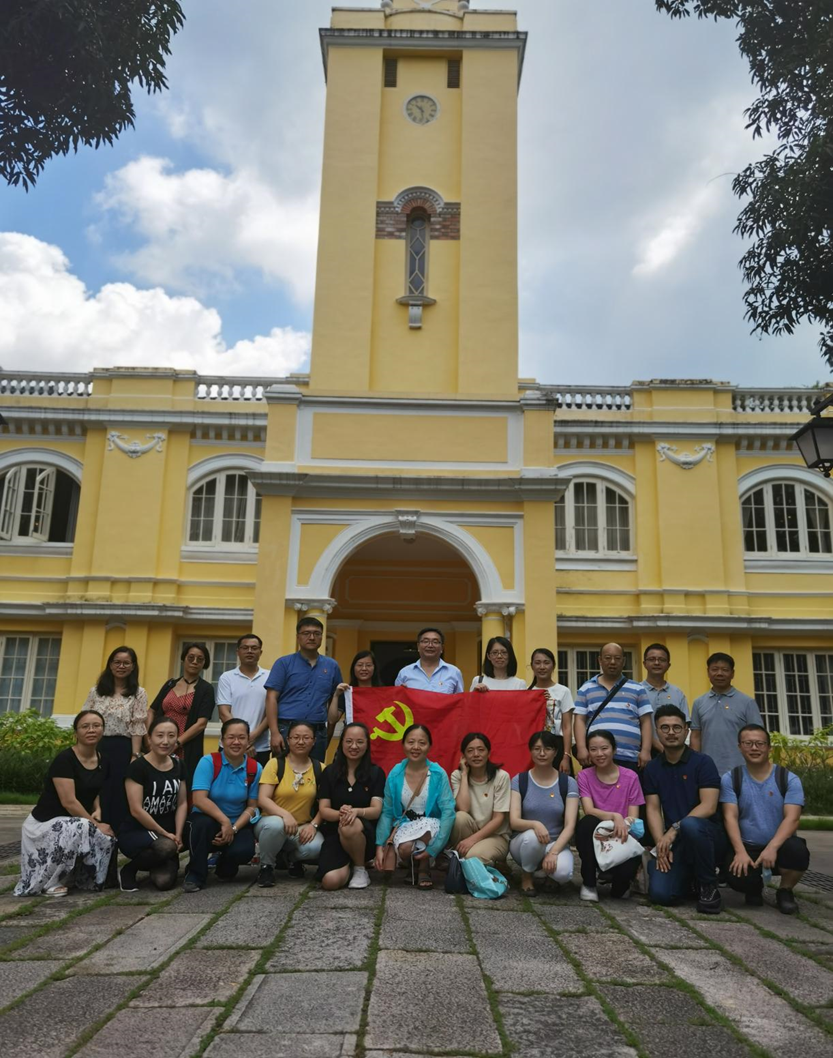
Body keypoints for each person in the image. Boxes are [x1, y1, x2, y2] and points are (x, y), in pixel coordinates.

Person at [15, 710, 116, 897]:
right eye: (85, 726)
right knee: (83, 826)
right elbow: (69, 802)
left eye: (96, 726)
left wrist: (98, 809)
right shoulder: (65, 759)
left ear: (103, 730)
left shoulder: (104, 760)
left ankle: (82, 878)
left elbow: (96, 789)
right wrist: (95, 824)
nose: (91, 730)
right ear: (76, 732)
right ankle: (50, 882)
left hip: (71, 822)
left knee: (106, 836)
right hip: (44, 824)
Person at [643, 705, 726, 914]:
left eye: (677, 727)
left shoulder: (703, 762)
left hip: (707, 836)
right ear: (657, 731)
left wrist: (674, 829)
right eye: (665, 728)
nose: (671, 732)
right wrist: (661, 843)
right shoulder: (652, 767)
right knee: (660, 895)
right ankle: (689, 878)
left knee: (690, 824)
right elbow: (653, 809)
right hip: (676, 841)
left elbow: (709, 806)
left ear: (686, 730)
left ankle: (708, 886)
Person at [720, 724, 809, 915]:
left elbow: (792, 819)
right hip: (747, 846)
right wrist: (739, 851)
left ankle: (785, 890)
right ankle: (753, 888)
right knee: (735, 875)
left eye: (760, 743)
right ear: (739, 747)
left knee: (798, 851)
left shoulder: (788, 779)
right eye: (748, 743)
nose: (754, 748)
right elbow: (730, 816)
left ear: (769, 747)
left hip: (780, 846)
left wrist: (772, 847)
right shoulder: (731, 778)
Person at [183, 719, 262, 892]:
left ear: (248, 741)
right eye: (231, 737)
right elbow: (199, 799)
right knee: (202, 825)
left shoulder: (254, 768)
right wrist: (224, 821)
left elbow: (252, 806)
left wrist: (233, 828)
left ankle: (224, 863)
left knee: (243, 852)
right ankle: (195, 873)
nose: (236, 742)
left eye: (241, 737)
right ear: (222, 740)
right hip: (206, 820)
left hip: (236, 823)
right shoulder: (208, 762)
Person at [375, 723, 455, 889]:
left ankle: (424, 868)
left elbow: (448, 811)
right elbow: (387, 812)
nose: (416, 747)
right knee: (405, 849)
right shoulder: (395, 773)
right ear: (403, 744)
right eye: (411, 742)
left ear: (429, 746)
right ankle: (413, 864)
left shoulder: (438, 773)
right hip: (406, 825)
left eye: (422, 743)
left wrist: (435, 849)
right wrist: (379, 846)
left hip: (432, 826)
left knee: (427, 829)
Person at [83, 646, 148, 834]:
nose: (121, 666)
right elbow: (85, 719)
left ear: (133, 666)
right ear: (110, 664)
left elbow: (137, 725)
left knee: (119, 793)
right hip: (97, 746)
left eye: (126, 663)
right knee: (96, 790)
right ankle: (94, 834)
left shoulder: (139, 693)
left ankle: (118, 837)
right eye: (117, 662)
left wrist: (135, 755)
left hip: (123, 748)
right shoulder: (96, 691)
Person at [118, 715, 187, 892]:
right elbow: (136, 810)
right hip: (137, 831)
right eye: (160, 735)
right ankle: (129, 869)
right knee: (166, 846)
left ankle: (161, 858)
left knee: (164, 883)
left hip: (167, 833)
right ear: (149, 738)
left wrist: (178, 834)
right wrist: (165, 834)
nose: (165, 741)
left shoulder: (179, 765)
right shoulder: (138, 767)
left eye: (171, 736)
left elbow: (182, 803)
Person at [575, 730, 645, 902]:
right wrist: (615, 816)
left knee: (619, 894)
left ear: (614, 750)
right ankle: (589, 883)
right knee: (586, 823)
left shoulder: (631, 777)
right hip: (597, 834)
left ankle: (619, 879)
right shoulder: (584, 776)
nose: (599, 754)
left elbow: (633, 817)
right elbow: (589, 809)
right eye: (593, 749)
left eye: (604, 748)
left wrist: (621, 823)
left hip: (622, 835)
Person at [508, 730, 579, 896]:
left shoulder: (568, 783)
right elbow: (514, 821)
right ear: (530, 751)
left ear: (555, 752)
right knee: (533, 837)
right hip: (525, 844)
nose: (542, 753)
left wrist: (554, 852)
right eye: (537, 749)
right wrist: (535, 824)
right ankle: (527, 876)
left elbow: (570, 825)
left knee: (564, 873)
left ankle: (551, 876)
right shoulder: (520, 780)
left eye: (547, 749)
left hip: (555, 843)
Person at [254, 720, 325, 886]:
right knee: (276, 824)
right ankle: (266, 867)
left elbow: (325, 804)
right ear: (288, 740)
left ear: (314, 741)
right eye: (296, 737)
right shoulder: (275, 764)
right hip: (270, 823)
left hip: (301, 827)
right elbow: (263, 799)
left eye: (306, 738)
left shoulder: (320, 768)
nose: (301, 741)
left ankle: (290, 859)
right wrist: (285, 815)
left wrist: (313, 825)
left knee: (316, 847)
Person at [317, 722, 386, 891]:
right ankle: (349, 866)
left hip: (364, 835)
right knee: (330, 882)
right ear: (341, 743)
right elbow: (324, 810)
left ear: (367, 744)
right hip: (335, 833)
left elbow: (376, 810)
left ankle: (360, 869)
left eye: (359, 742)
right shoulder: (329, 772)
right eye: (349, 741)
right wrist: (341, 814)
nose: (354, 746)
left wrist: (356, 812)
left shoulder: (376, 773)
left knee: (349, 825)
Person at [265, 617, 343, 762]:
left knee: (315, 773)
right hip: (286, 730)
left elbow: (337, 699)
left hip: (317, 732)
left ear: (322, 637)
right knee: (282, 772)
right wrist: (274, 733)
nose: (312, 637)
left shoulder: (332, 666)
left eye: (317, 633)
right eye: (306, 633)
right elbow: (271, 698)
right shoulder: (284, 663)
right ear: (298, 637)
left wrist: (329, 732)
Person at [573, 643, 652, 772]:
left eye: (617, 658)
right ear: (600, 660)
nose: (613, 662)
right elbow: (579, 720)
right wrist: (581, 748)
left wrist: (646, 750)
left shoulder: (637, 688)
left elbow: (646, 721)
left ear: (624, 661)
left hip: (630, 757)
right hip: (596, 757)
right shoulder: (586, 688)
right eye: (608, 658)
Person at [149, 642, 216, 790]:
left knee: (180, 786)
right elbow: (152, 711)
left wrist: (177, 743)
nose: (195, 662)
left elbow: (201, 723)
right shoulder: (170, 684)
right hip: (160, 742)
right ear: (183, 659)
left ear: (204, 664)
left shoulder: (206, 689)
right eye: (191, 657)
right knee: (155, 783)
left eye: (200, 659)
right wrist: (150, 738)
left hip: (185, 745)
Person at [690, 653, 763, 777]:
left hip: (740, 771)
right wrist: (694, 766)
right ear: (708, 672)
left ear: (732, 673)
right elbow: (696, 736)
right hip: (707, 771)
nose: (719, 673)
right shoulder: (698, 703)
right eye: (715, 669)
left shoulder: (747, 702)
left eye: (725, 670)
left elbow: (757, 737)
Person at [449, 732, 511, 868]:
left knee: (473, 857)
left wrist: (472, 840)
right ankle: (467, 862)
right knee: (459, 817)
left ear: (489, 753)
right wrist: (464, 775)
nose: (476, 754)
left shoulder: (501, 777)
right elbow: (463, 808)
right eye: (470, 751)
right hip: (469, 831)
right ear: (463, 756)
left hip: (496, 836)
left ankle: (468, 861)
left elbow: (498, 818)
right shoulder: (457, 775)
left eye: (481, 750)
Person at [217, 634, 271, 766]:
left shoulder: (270, 676)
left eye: (254, 648)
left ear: (260, 652)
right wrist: (242, 740)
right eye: (245, 648)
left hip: (260, 747)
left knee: (258, 779)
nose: (249, 651)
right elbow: (224, 712)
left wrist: (252, 737)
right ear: (238, 652)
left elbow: (272, 712)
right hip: (230, 746)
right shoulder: (227, 677)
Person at [528, 647, 574, 772]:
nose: (542, 667)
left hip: (557, 745)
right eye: (537, 663)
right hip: (533, 745)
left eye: (546, 662)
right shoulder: (526, 692)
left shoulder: (563, 691)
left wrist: (566, 756)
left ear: (553, 666)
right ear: (532, 666)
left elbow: (567, 726)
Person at [641, 643, 689, 756]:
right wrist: (659, 747)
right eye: (652, 659)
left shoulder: (677, 693)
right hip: (644, 753)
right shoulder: (637, 691)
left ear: (668, 665)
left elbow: (685, 724)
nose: (657, 663)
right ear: (644, 664)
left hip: (674, 752)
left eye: (661, 660)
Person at [327, 649, 382, 738]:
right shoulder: (347, 692)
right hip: (352, 740)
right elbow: (332, 720)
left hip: (377, 739)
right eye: (360, 665)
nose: (364, 668)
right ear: (353, 668)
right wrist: (336, 695)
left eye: (368, 665)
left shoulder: (383, 692)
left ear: (374, 668)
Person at [394, 628, 463, 694]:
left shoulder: (454, 672)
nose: (430, 645)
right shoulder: (405, 673)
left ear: (442, 648)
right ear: (418, 646)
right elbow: (397, 699)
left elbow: (459, 699)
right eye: (425, 641)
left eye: (435, 642)